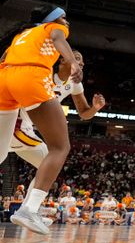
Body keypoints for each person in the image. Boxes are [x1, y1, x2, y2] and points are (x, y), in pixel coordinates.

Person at [0, 5, 82, 235]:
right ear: (54, 19)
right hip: (30, 76)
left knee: (0, 152)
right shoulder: (53, 28)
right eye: (64, 17)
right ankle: (29, 209)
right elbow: (58, 37)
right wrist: (72, 62)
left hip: (4, 77)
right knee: (60, 147)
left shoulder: (22, 35)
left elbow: (4, 58)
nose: (67, 22)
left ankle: (30, 209)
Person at [12, 50, 105, 192]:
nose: (82, 63)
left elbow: (84, 113)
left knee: (49, 167)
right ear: (62, 60)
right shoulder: (45, 73)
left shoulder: (74, 84)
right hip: (16, 123)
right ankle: (28, 210)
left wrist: (95, 108)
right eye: (78, 58)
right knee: (49, 166)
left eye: (82, 60)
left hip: (26, 128)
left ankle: (28, 210)